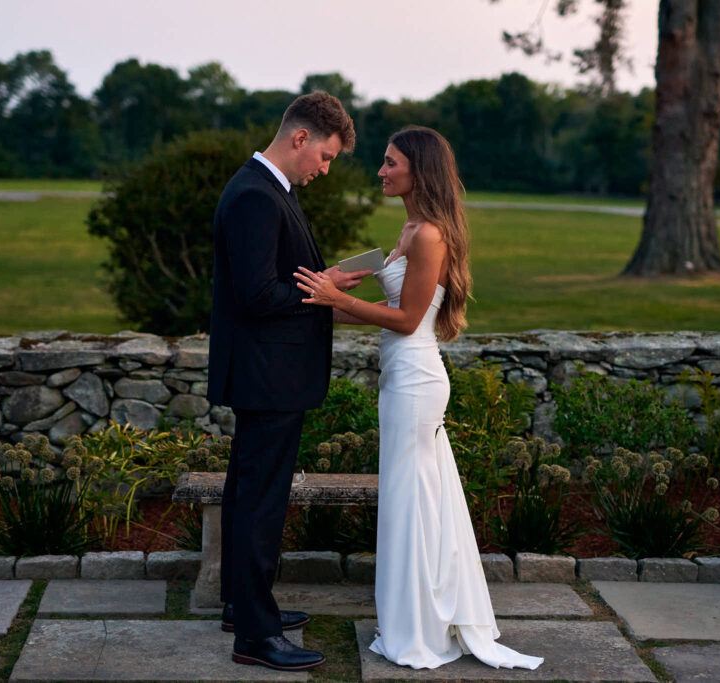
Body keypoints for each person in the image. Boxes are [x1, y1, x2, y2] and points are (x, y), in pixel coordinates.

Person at [294, 126, 545, 671]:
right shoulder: (408, 227)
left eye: (390, 163)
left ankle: (420, 628)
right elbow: (384, 315)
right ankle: (412, 617)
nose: (380, 172)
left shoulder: (430, 234)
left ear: (418, 169)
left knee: (412, 497)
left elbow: (408, 321)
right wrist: (321, 297)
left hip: (416, 380)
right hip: (400, 377)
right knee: (413, 496)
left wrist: (338, 297)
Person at [207, 91, 370, 672]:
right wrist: (320, 295)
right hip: (266, 374)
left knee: (248, 491)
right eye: (324, 157)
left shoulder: (266, 187)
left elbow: (273, 278)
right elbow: (254, 296)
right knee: (260, 501)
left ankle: (241, 606)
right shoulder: (255, 194)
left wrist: (322, 282)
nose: (324, 170)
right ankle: (254, 634)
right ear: (300, 138)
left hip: (266, 371)